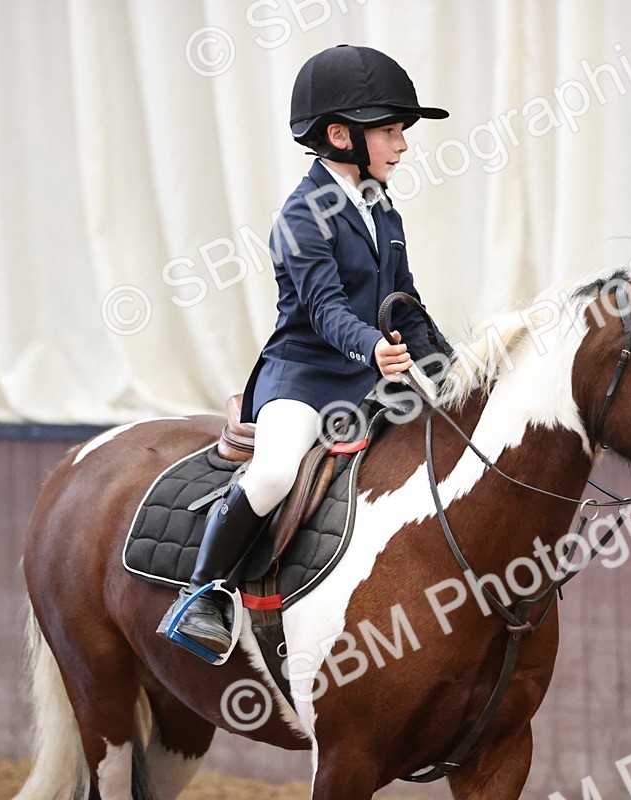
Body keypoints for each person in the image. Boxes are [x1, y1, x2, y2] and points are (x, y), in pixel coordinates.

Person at [158, 44, 449, 661]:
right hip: (305, 376)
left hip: (370, 374)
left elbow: (406, 300)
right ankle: (204, 592)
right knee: (273, 471)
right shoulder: (299, 215)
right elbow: (323, 310)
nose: (402, 145)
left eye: (402, 132)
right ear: (341, 135)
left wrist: (453, 371)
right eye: (391, 131)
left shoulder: (381, 207)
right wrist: (374, 348)